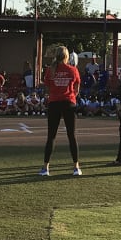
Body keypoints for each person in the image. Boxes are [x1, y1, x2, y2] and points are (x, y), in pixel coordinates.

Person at [39, 46, 82, 177]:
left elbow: (47, 87)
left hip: (54, 103)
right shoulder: (73, 69)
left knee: (51, 136)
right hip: (69, 103)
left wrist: (54, 92)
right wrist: (72, 96)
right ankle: (76, 167)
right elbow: (77, 87)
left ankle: (46, 167)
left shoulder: (50, 70)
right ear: (67, 56)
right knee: (72, 136)